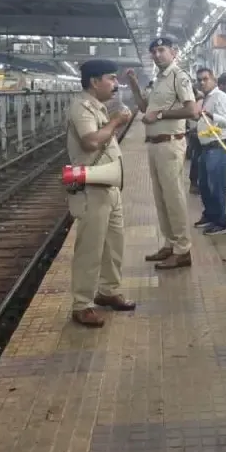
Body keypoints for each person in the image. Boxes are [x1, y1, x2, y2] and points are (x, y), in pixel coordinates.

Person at [66, 59, 136, 327]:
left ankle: (109, 291)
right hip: (92, 187)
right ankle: (82, 304)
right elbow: (91, 140)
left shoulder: (98, 106)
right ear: (95, 82)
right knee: (90, 248)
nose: (115, 83)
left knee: (114, 243)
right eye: (111, 78)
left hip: (110, 185)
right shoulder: (81, 106)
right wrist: (117, 121)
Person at [126, 35, 196, 270]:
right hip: (155, 144)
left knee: (174, 198)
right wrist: (134, 85)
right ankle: (170, 243)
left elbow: (191, 110)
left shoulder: (179, 76)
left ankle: (183, 249)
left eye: (161, 51)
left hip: (170, 144)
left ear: (174, 52)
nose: (157, 55)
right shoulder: (159, 80)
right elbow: (146, 109)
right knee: (161, 197)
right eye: (154, 52)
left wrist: (162, 115)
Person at [194, 67, 226, 236]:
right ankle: (210, 215)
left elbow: (225, 122)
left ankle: (221, 222)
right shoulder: (205, 98)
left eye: (205, 79)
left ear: (214, 80)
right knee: (204, 185)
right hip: (205, 147)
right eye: (199, 80)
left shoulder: (220, 97)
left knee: (216, 186)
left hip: (217, 147)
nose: (202, 83)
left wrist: (210, 115)